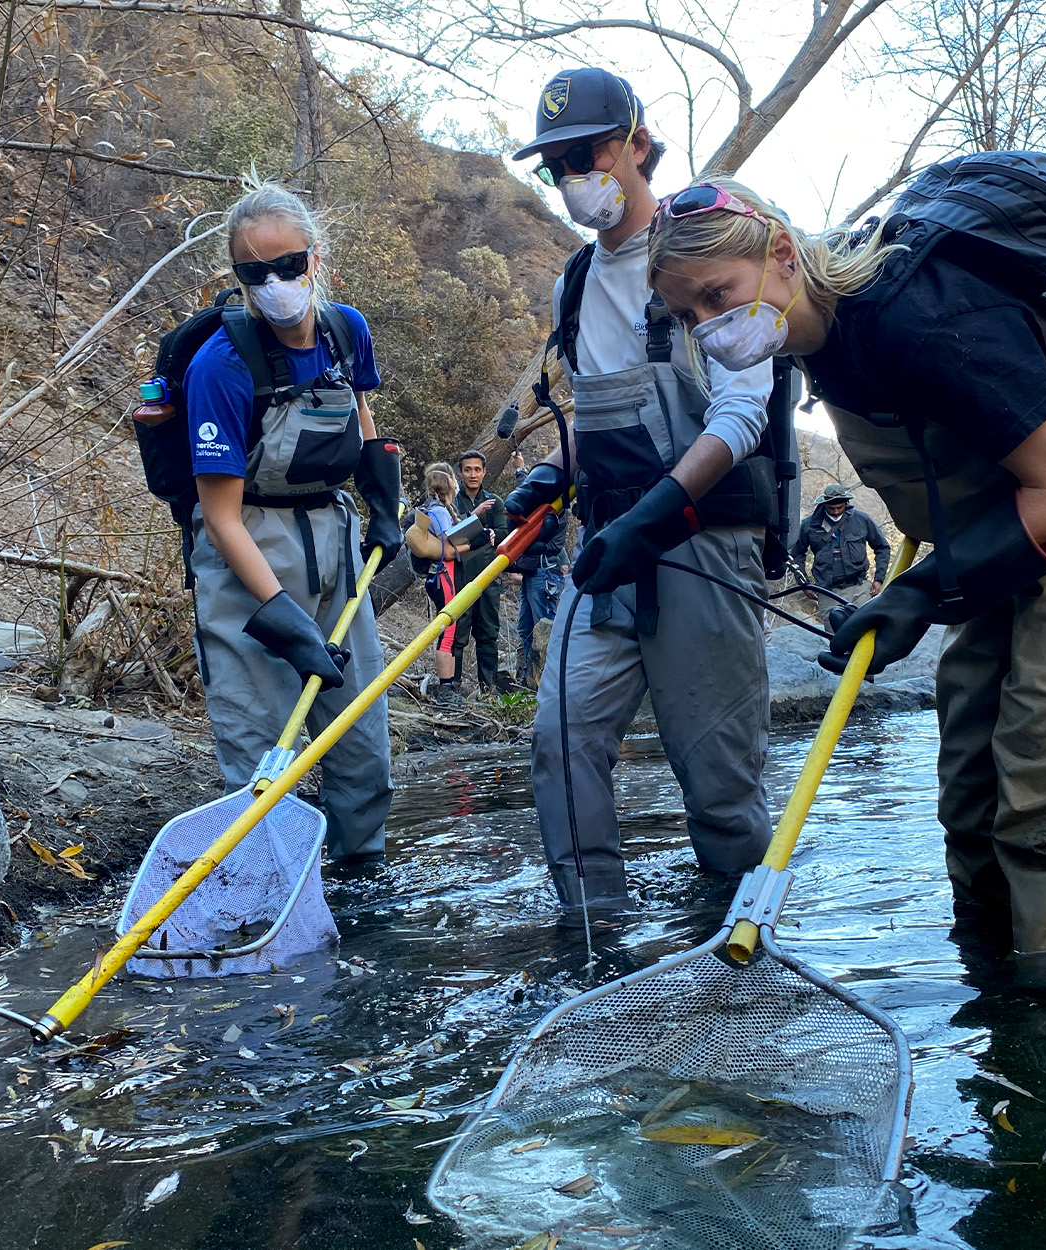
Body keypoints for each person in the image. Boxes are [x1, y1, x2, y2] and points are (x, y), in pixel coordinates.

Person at [648, 177, 1046, 956]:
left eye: (715, 294)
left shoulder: (913, 312)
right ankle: (996, 997)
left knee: (1045, 797)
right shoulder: (818, 348)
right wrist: (906, 595)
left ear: (783, 255)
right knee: (969, 797)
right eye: (687, 314)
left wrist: (918, 593)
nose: (707, 325)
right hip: (997, 531)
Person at [504, 68, 778, 907]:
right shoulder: (574, 282)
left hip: (704, 549)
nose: (569, 180)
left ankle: (740, 956)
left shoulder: (707, 254)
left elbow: (743, 412)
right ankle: (590, 936)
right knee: (559, 736)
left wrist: (658, 512)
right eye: (553, 167)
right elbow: (596, 405)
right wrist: (559, 471)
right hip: (608, 552)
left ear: (635, 145)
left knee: (719, 782)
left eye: (583, 155)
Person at [183, 180, 399, 863]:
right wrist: (282, 617)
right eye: (256, 272)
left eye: (288, 264)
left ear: (316, 258)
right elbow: (219, 517)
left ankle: (365, 883)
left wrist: (383, 504)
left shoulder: (345, 330)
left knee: (359, 736)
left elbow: (361, 417)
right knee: (258, 747)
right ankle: (264, 886)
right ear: (239, 277)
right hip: (248, 554)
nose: (275, 281)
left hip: (333, 539)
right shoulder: (218, 366)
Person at [407, 462, 470, 706]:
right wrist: (475, 543)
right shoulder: (441, 512)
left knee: (449, 629)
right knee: (449, 629)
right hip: (444, 574)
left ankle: (451, 684)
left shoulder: (432, 508)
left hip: (441, 576)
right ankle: (445, 690)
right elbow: (448, 549)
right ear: (450, 482)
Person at [449, 449, 510, 695]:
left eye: (477, 469)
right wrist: (475, 522)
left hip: (488, 576)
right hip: (459, 575)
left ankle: (488, 688)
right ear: (460, 473)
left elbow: (504, 533)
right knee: (457, 631)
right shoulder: (452, 501)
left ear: (484, 472)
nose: (472, 474)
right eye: (467, 469)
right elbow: (449, 533)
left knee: (487, 632)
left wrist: (494, 535)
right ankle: (452, 686)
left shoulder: (495, 502)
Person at [790, 482, 890, 620]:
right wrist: (804, 584)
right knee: (834, 635)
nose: (836, 511)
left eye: (839, 507)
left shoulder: (862, 520)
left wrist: (879, 579)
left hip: (859, 587)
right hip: (827, 590)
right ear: (824, 505)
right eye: (831, 508)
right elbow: (796, 554)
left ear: (846, 503)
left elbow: (882, 547)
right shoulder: (809, 525)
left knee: (864, 630)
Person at [509, 450, 565, 687]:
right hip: (533, 574)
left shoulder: (554, 509)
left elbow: (532, 505)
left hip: (545, 574)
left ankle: (547, 680)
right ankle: (528, 679)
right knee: (525, 628)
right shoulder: (541, 504)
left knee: (544, 628)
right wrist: (520, 469)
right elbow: (527, 493)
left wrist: (522, 471)